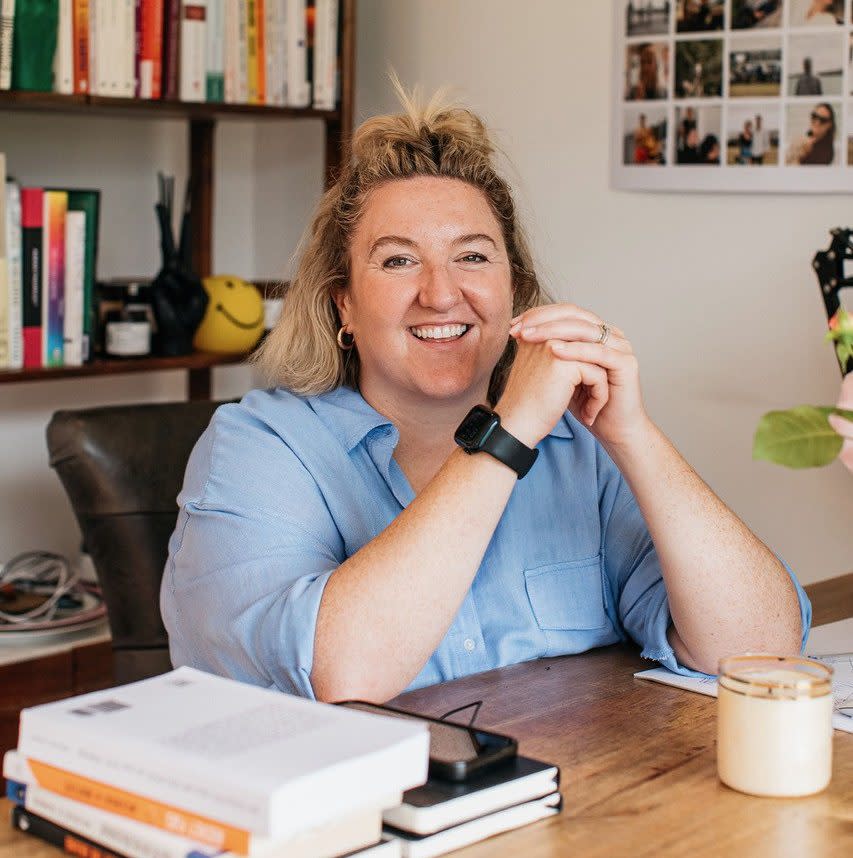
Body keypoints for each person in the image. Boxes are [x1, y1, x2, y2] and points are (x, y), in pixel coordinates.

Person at [160, 87, 810, 703]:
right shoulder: (259, 449)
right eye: (396, 260)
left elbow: (760, 655)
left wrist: (632, 435)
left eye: (472, 257)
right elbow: (340, 673)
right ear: (344, 307)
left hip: (584, 803)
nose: (441, 293)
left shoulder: (580, 447)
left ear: (513, 292)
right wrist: (507, 433)